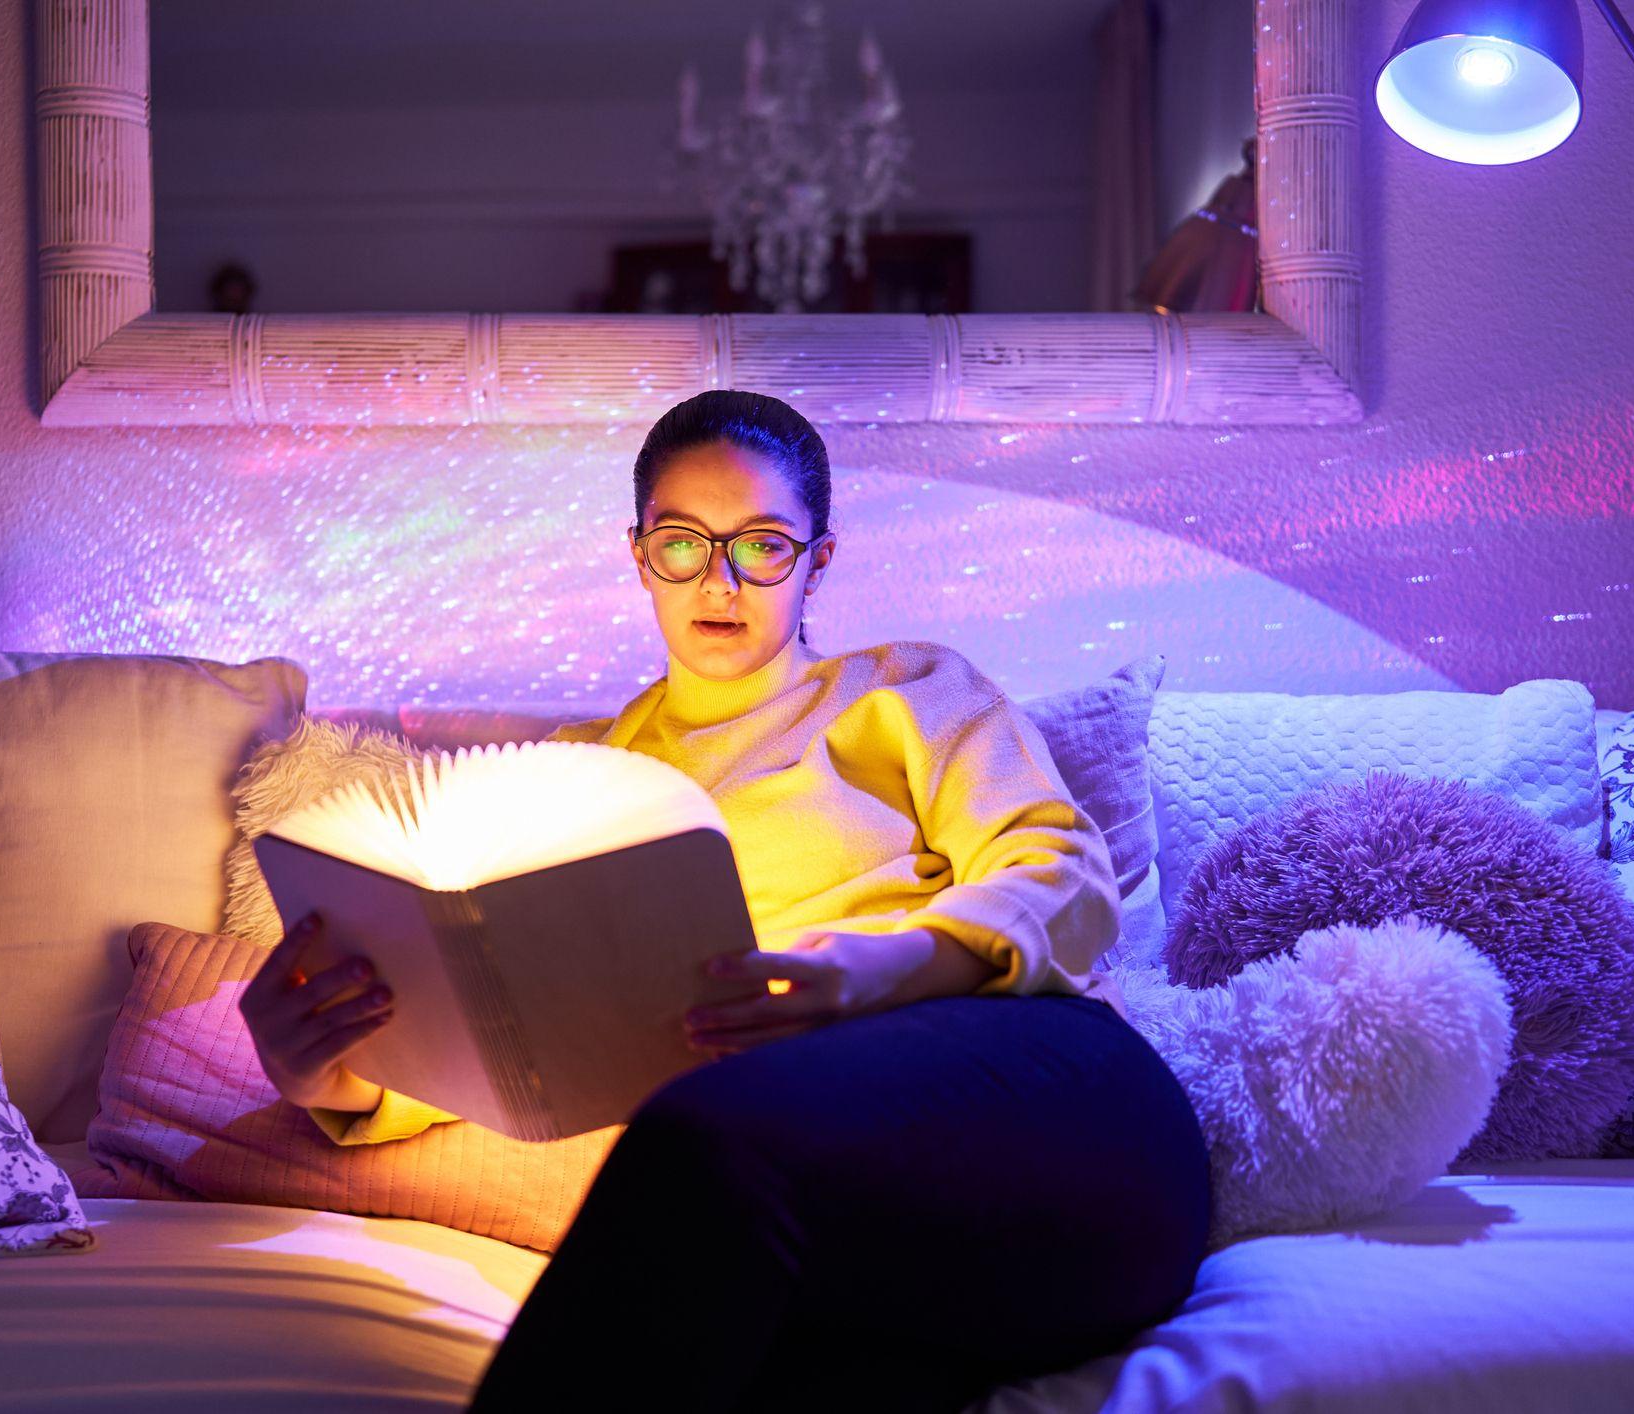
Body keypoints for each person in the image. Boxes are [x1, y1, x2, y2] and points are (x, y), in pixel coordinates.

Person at [239, 389, 1212, 1411]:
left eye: (761, 547)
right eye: (682, 544)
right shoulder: (573, 780)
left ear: (817, 561)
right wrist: (325, 1076)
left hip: (1048, 1098)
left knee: (698, 1140)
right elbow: (516, 1051)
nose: (720, 579)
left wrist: (876, 970)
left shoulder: (906, 691)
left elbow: (1065, 877)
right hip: (831, 1210)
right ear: (638, 554)